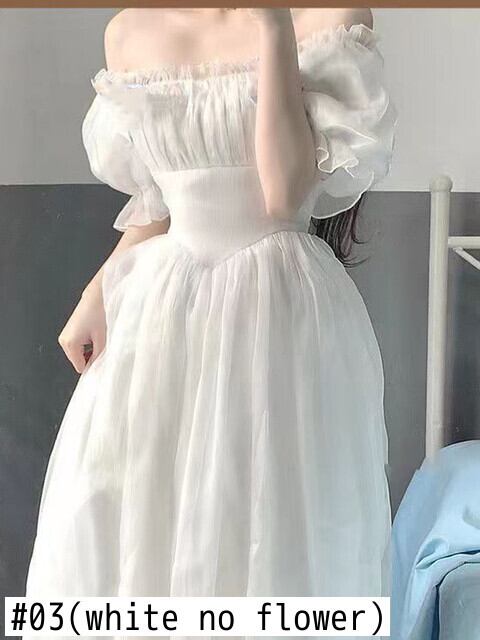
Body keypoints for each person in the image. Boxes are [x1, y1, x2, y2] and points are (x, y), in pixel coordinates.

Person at [25, 7, 397, 609]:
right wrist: (95, 293)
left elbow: (284, 196)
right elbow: (160, 204)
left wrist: (272, 26)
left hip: (278, 304)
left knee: (270, 509)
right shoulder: (130, 31)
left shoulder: (328, 19)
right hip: (162, 305)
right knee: (136, 508)